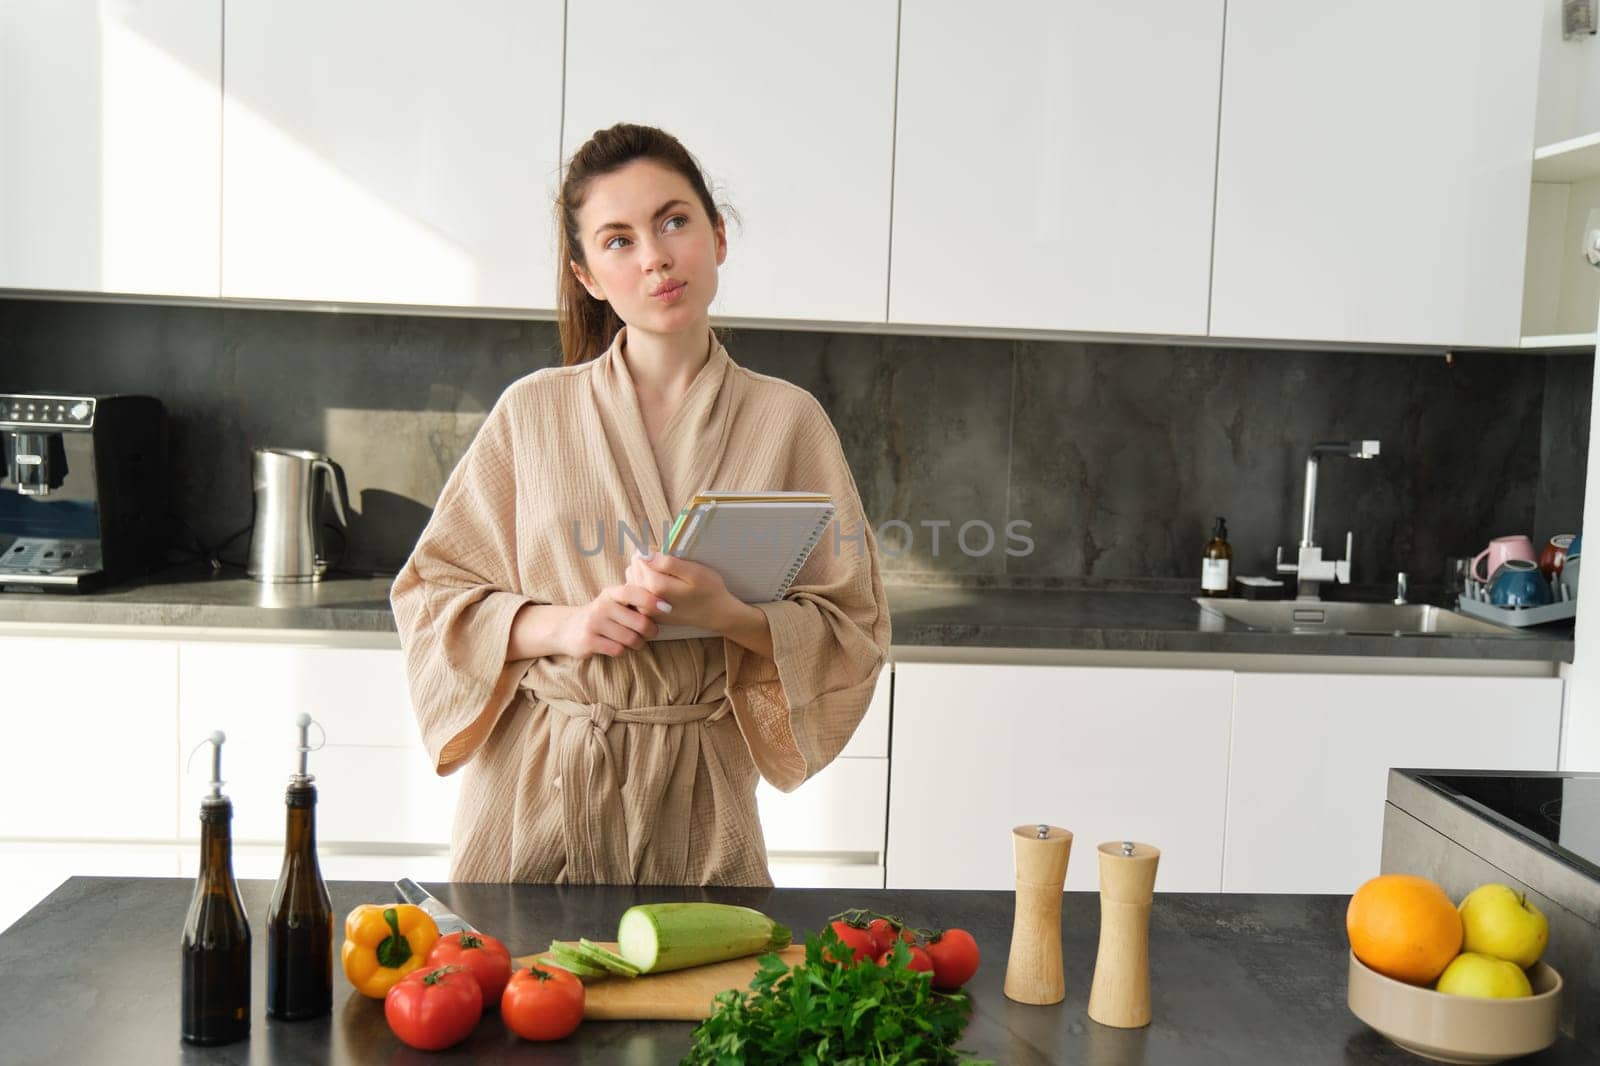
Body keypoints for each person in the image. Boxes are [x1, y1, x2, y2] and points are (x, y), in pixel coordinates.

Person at [390, 123, 891, 886]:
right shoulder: (532, 415)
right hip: (538, 790)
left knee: (704, 1002)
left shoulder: (788, 422)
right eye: (617, 240)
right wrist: (570, 625)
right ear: (587, 274)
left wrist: (730, 615)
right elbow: (432, 595)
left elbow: (853, 623)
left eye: (674, 221)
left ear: (718, 237)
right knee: (523, 998)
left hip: (701, 796)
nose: (655, 255)